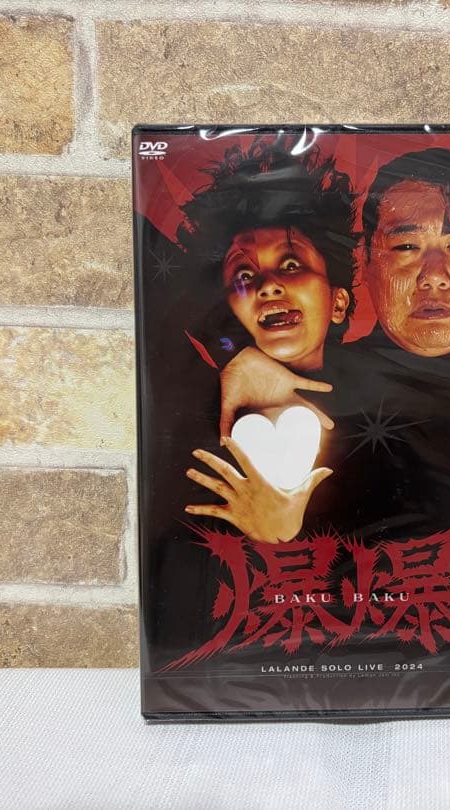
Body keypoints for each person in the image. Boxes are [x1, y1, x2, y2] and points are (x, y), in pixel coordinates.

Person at [220, 148, 450, 539]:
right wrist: (230, 353)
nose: (434, 276)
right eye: (406, 247)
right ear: (367, 260)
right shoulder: (304, 394)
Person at [176, 139, 358, 543]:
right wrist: (229, 348)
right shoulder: (189, 395)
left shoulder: (380, 417)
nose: (268, 285)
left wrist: (285, 535)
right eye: (243, 276)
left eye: (291, 264)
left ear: (338, 303)